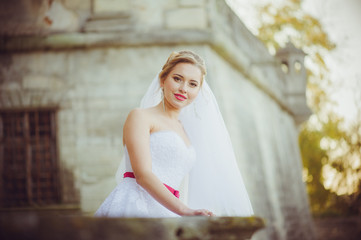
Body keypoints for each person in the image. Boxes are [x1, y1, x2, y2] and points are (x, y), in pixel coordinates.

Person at [95, 50, 253, 218]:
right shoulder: (140, 117)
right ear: (163, 80)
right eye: (177, 79)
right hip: (134, 205)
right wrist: (184, 210)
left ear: (199, 90)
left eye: (193, 84)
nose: (183, 89)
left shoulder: (186, 130)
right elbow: (142, 175)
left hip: (168, 210)